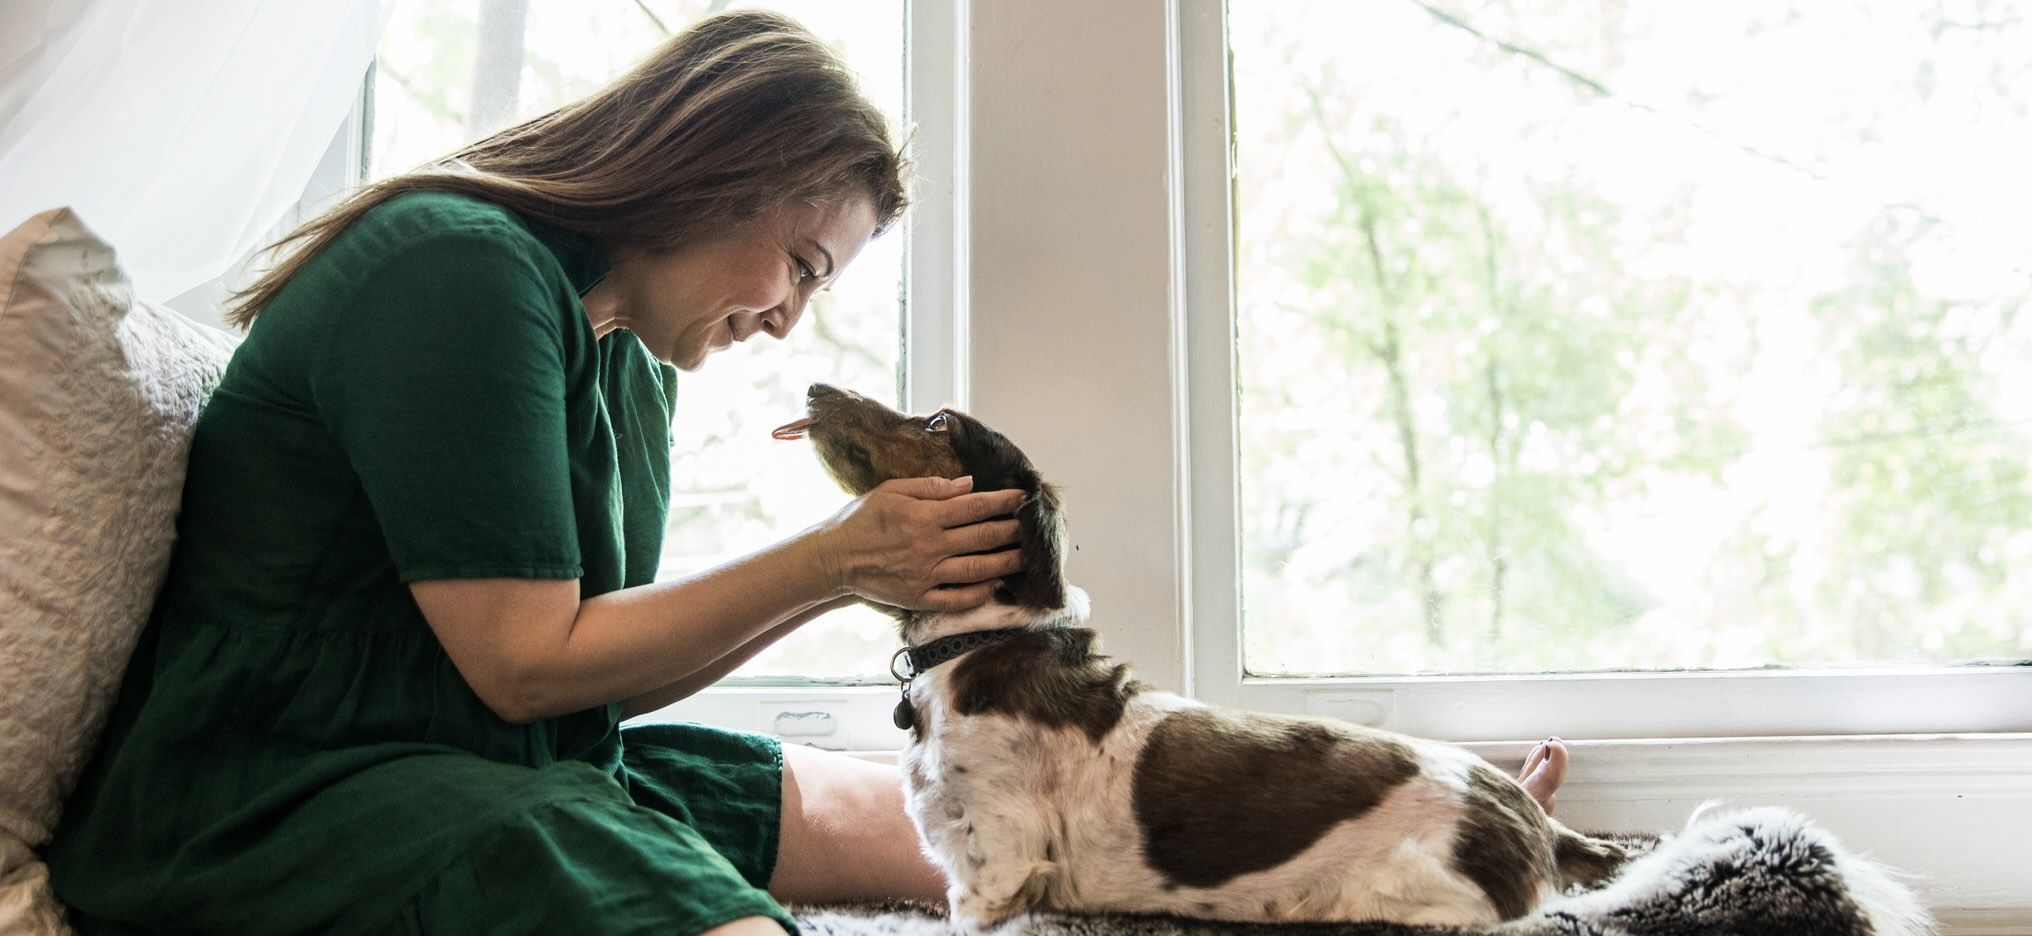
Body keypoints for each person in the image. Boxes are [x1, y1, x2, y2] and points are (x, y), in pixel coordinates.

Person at [46, 10, 1568, 935]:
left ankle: (1398, 824)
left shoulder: (622, 364)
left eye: (816, 287)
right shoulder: (455, 270)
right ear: (710, 169)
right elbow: (520, 665)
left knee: (901, 816)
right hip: (277, 796)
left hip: (491, 759)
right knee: (623, 867)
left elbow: (576, 695)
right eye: (799, 260)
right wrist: (840, 563)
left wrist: (1383, 817)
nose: (787, 315)